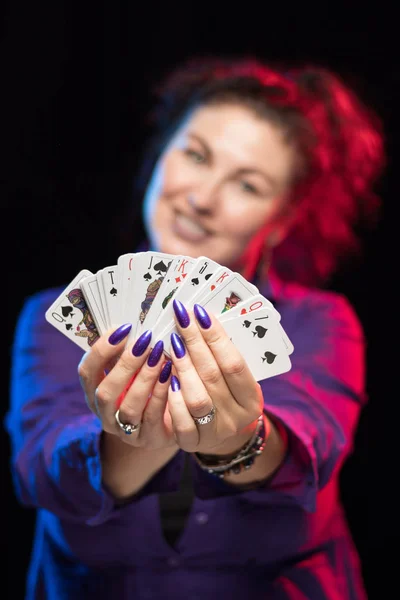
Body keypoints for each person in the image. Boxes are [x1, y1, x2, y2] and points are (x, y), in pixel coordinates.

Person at [5, 55, 385, 600]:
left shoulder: (320, 320)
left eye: (247, 186)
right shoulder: (60, 318)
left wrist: (237, 441)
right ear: (160, 155)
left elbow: (313, 451)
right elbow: (44, 475)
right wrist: (131, 436)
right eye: (196, 155)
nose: (202, 199)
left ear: (281, 220)